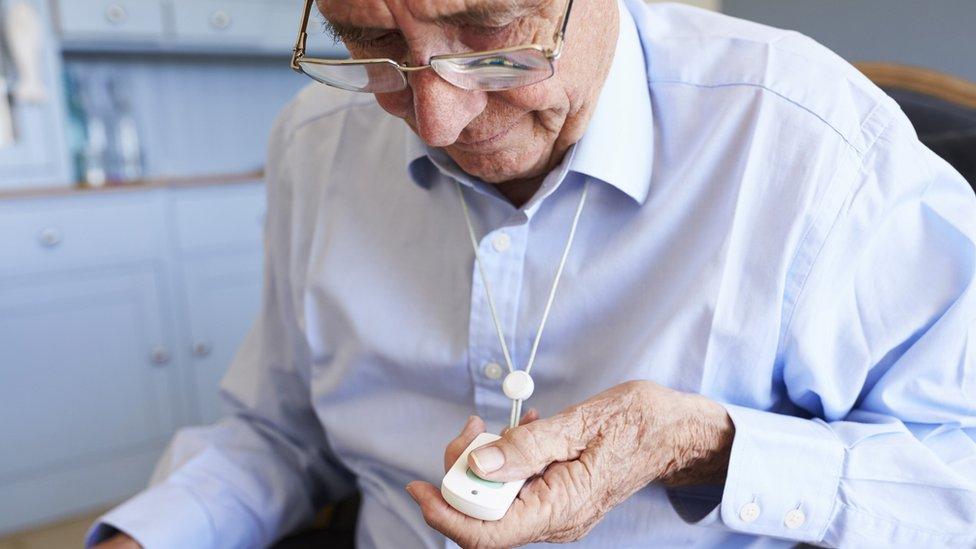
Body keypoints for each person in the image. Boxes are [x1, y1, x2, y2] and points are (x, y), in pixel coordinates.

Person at [88, 0, 976, 547]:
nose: (437, 119)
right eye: (370, 42)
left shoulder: (813, 147)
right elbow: (278, 433)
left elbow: (959, 482)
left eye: (486, 31)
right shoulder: (315, 140)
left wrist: (706, 447)